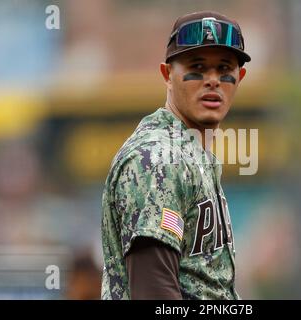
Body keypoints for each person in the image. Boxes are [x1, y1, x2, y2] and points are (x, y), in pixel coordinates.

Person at [101, 10, 250, 300]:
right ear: (167, 74)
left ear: (239, 77)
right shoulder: (159, 160)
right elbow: (154, 293)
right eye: (197, 66)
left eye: (224, 69)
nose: (212, 80)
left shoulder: (193, 154)